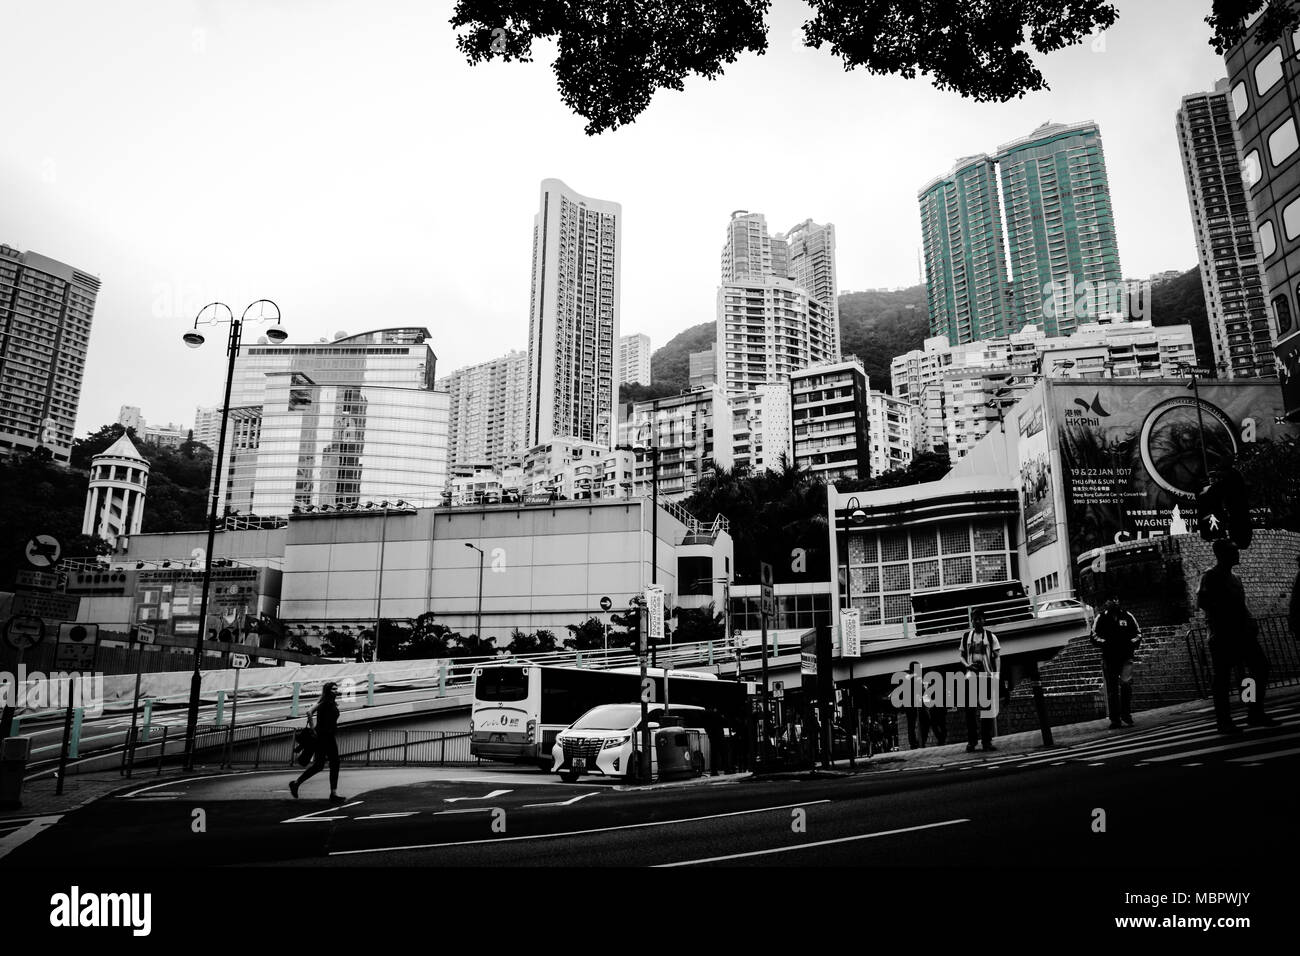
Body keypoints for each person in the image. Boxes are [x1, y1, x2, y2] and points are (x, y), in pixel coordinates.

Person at [1197, 539, 1278, 735]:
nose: (1237, 554)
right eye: (1233, 551)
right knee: (1223, 679)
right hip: (1223, 635)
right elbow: (1203, 603)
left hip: (1243, 633)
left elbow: (1241, 605)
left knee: (1258, 669)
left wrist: (1249, 621)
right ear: (1222, 554)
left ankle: (1254, 710)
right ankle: (1224, 720)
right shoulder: (1210, 576)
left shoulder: (1236, 579)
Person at [1091, 598, 1142, 729]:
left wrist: (1130, 644)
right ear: (1106, 603)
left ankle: (1126, 714)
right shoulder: (1101, 618)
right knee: (1112, 689)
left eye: (1115, 599)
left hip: (1126, 657)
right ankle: (1115, 719)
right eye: (1109, 600)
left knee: (1126, 685)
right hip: (1110, 658)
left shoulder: (1127, 615)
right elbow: (1093, 636)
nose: (1112, 602)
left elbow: (1138, 633)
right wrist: (1106, 644)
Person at [290, 681, 343, 800]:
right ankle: (296, 783)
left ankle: (333, 793)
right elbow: (309, 712)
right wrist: (313, 729)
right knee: (323, 765)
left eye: (336, 689)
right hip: (323, 737)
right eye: (333, 689)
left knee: (331, 764)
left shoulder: (333, 703)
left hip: (329, 736)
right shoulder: (323, 702)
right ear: (328, 690)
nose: (336, 691)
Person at [959, 609, 1001, 753]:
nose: (977, 621)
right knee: (970, 712)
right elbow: (961, 656)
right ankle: (972, 742)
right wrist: (967, 665)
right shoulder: (966, 637)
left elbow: (997, 656)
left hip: (986, 675)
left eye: (979, 619)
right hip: (971, 676)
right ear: (971, 621)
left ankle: (986, 741)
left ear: (984, 620)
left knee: (986, 711)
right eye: (974, 619)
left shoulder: (990, 637)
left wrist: (997, 674)